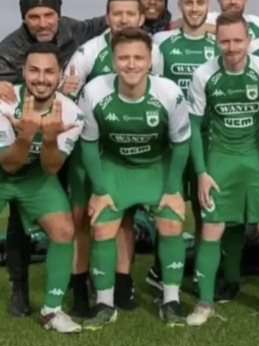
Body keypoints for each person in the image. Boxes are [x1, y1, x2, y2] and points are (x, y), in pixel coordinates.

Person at [0, 0, 106, 317]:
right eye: (34, 17)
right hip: (9, 156)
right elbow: (10, 163)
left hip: (51, 146)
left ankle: (77, 280)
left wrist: (166, 22)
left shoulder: (73, 29)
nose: (43, 23)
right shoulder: (9, 51)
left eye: (49, 15)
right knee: (18, 222)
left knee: (71, 214)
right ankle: (19, 285)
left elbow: (108, 21)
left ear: (59, 15)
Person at [78, 27, 190, 329]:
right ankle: (104, 303)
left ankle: (171, 300)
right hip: (115, 166)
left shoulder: (169, 92)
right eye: (124, 58)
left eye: (138, 58)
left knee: (171, 223)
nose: (131, 64)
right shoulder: (94, 91)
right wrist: (99, 190)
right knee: (102, 227)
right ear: (113, 60)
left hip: (156, 166)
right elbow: (89, 143)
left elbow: (181, 144)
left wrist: (172, 190)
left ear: (150, 61)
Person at [61, 0, 164, 317]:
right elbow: (67, 99)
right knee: (81, 220)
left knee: (124, 220)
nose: (123, 19)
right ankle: (80, 289)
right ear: (108, 17)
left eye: (130, 13)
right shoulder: (88, 52)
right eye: (117, 13)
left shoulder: (152, 53)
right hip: (89, 151)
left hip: (124, 154)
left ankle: (122, 285)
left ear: (141, 17)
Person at [186, 12, 259, 326]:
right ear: (216, 41)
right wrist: (201, 172)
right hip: (221, 159)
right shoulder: (204, 74)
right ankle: (204, 302)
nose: (231, 47)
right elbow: (193, 126)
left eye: (237, 40)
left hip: (258, 158)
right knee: (212, 228)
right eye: (225, 41)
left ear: (248, 40)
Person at [0, 42, 83, 332]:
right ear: (23, 71)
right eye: (34, 70)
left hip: (36, 177)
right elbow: (9, 165)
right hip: (2, 172)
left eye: (49, 72)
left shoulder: (71, 113)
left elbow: (51, 168)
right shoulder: (4, 102)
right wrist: (26, 136)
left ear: (60, 75)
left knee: (64, 231)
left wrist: (48, 139)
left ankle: (52, 311)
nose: (41, 78)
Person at [146, 0, 218, 296]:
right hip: (171, 140)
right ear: (179, 5)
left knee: (205, 209)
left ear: (208, 6)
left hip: (206, 138)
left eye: (200, 2)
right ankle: (160, 271)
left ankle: (202, 273)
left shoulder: (218, 44)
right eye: (189, 2)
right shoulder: (162, 42)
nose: (194, 8)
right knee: (168, 207)